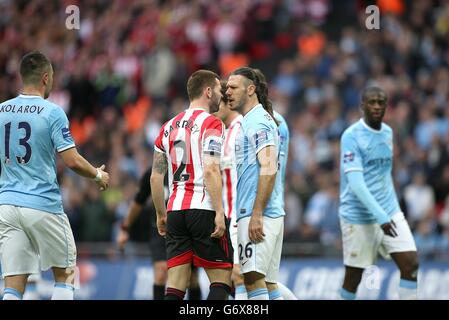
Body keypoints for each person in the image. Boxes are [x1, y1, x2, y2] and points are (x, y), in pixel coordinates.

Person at [0, 51, 109, 300]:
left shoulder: (1, 111)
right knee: (67, 274)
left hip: (6, 205)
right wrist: (97, 176)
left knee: (13, 284)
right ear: (46, 78)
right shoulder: (52, 112)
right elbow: (71, 160)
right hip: (42, 205)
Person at [150, 69, 233, 300]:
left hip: (175, 210)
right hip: (203, 208)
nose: (221, 94)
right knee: (222, 279)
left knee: (176, 285)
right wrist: (219, 212)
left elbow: (156, 177)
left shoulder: (167, 127)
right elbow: (210, 168)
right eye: (218, 90)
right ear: (207, 91)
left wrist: (160, 214)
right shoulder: (212, 123)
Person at [216, 78, 296, 300]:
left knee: (246, 276)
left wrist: (258, 211)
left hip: (247, 211)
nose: (213, 111)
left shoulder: (248, 126)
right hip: (245, 212)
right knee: (264, 281)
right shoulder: (239, 127)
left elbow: (269, 168)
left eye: (217, 104)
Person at [339, 86, 419, 300]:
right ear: (362, 105)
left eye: (381, 102)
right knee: (353, 277)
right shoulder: (351, 136)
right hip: (359, 216)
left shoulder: (387, 133)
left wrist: (390, 210)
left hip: (389, 211)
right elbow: (356, 183)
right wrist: (380, 215)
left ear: (386, 106)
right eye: (371, 102)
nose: (376, 106)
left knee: (410, 263)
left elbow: (384, 174)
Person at [116, 167, 202, 300]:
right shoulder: (154, 172)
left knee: (191, 278)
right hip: (160, 230)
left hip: (186, 230)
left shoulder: (190, 168)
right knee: (161, 272)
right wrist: (125, 228)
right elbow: (139, 201)